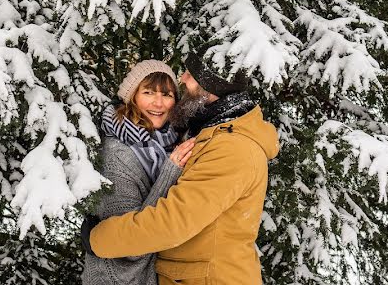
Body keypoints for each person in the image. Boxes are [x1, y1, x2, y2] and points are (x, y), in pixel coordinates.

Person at [85, 45, 280, 285]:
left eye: (192, 74)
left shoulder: (231, 147)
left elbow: (171, 223)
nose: (182, 79)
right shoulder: (207, 134)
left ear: (211, 87)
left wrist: (97, 239)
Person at [82, 59, 196, 285]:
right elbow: (129, 245)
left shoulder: (172, 144)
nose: (159, 103)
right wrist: (169, 173)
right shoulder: (117, 155)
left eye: (167, 94)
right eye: (148, 92)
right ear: (131, 96)